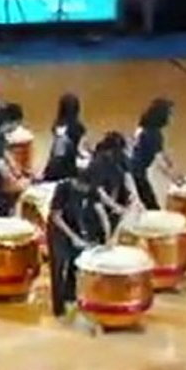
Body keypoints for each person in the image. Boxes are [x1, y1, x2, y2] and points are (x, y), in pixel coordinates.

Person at [46, 162, 111, 320]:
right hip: (58, 229)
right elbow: (56, 217)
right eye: (84, 188)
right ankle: (58, 308)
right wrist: (74, 238)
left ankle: (70, 295)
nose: (87, 191)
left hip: (75, 225)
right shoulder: (63, 189)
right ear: (76, 182)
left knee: (76, 262)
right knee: (59, 266)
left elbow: (101, 212)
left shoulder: (90, 187)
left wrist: (108, 238)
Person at [128, 98, 184, 210]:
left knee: (149, 203)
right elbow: (159, 162)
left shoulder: (144, 127)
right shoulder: (154, 135)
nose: (172, 117)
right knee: (152, 207)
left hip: (132, 169)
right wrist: (173, 178)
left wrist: (175, 170)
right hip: (137, 173)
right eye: (170, 114)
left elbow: (162, 154)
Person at [43, 93, 88, 182]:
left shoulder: (57, 125)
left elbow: (57, 150)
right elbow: (81, 150)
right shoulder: (78, 127)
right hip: (69, 168)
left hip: (53, 168)